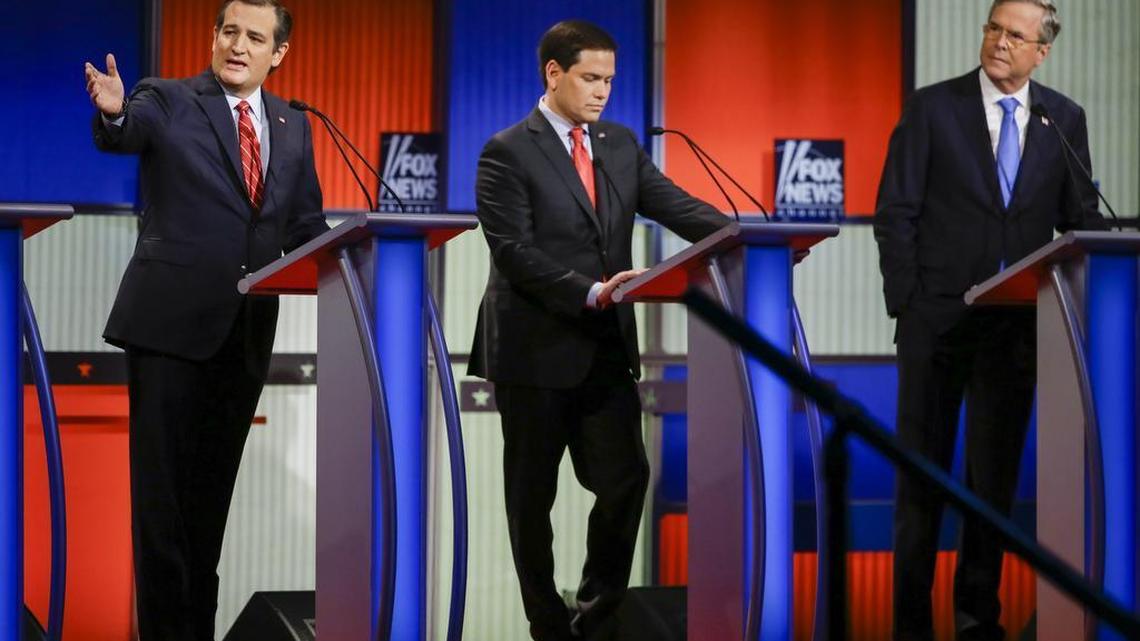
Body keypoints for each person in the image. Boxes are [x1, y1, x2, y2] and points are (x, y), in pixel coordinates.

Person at [468, 19, 729, 641]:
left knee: (625, 480)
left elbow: (675, 204)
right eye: (590, 78)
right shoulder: (507, 149)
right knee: (532, 502)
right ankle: (546, 624)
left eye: (609, 79)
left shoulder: (617, 144)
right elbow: (512, 252)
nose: (602, 91)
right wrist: (589, 291)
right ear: (553, 73)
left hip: (605, 350)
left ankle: (596, 616)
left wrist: (743, 238)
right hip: (533, 350)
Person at [84, 0, 328, 638]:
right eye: (229, 32)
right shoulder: (167, 98)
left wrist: (353, 256)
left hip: (243, 334)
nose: (238, 45)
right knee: (162, 513)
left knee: (207, 511)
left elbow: (304, 227)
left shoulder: (294, 125)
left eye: (254, 37)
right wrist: (113, 111)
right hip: (167, 328)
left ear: (278, 53)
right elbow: (125, 129)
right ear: (214, 37)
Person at [873, 1, 1107, 639]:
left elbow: (1080, 219)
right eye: (994, 29)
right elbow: (896, 212)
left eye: (1016, 36)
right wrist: (910, 305)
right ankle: (911, 625)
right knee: (921, 482)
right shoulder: (932, 109)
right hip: (936, 328)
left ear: (1041, 52)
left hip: (1016, 333)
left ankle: (978, 620)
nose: (1001, 42)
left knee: (992, 486)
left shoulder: (1063, 119)